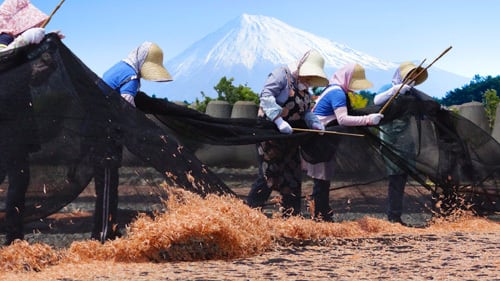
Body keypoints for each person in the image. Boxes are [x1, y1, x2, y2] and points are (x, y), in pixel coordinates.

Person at [90, 41, 173, 242]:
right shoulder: (131, 78)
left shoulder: (120, 68)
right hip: (105, 137)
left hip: (97, 132)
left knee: (109, 185)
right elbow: (125, 109)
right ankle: (102, 237)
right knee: (108, 187)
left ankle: (111, 229)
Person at [246, 49, 329, 217]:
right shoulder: (281, 75)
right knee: (269, 175)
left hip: (290, 139)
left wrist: (314, 122)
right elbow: (266, 96)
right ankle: (250, 215)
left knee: (292, 178)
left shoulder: (305, 88)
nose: (308, 80)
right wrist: (278, 120)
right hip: (270, 137)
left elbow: (305, 110)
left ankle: (291, 218)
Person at [0, 0, 54, 245]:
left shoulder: (17, 50)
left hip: (17, 123)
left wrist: (48, 56)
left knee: (19, 180)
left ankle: (14, 240)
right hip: (5, 124)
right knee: (14, 178)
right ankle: (13, 237)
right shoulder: (4, 42)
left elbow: (31, 80)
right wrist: (24, 41)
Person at [304, 63, 384, 221]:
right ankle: (320, 218)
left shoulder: (335, 89)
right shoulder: (337, 93)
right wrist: (368, 119)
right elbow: (343, 119)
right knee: (321, 180)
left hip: (324, 140)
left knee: (323, 179)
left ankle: (323, 215)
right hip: (319, 140)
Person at [373, 61, 428, 225]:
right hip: (390, 138)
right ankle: (393, 216)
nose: (412, 79)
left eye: (414, 77)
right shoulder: (387, 88)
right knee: (394, 176)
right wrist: (394, 91)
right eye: (409, 76)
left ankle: (396, 215)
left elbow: (424, 112)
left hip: (406, 141)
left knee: (402, 176)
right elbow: (376, 101)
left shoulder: (412, 94)